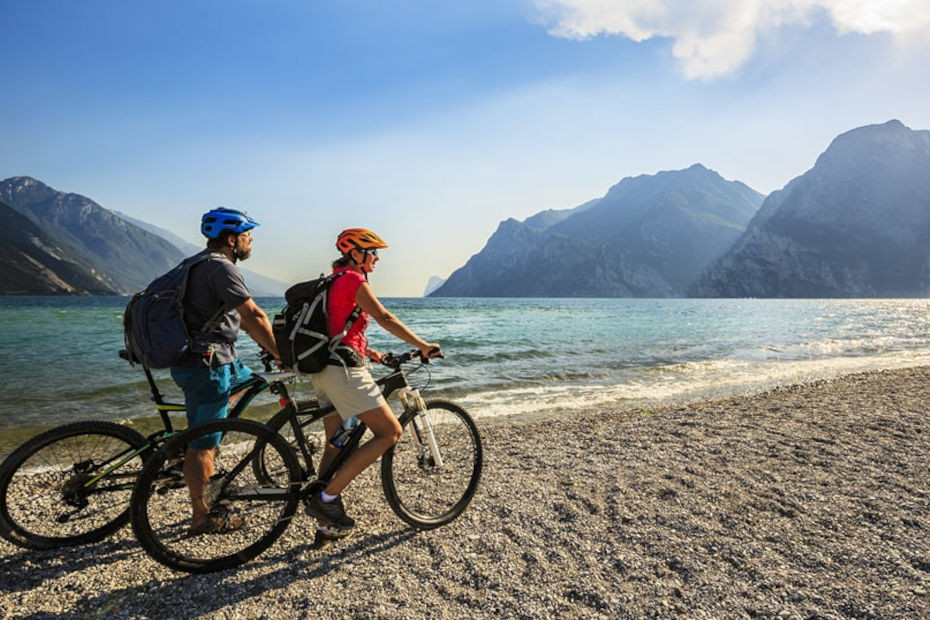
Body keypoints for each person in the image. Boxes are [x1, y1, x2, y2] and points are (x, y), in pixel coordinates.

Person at [305, 228, 442, 536]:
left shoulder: (330, 281)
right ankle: (328, 499)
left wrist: (372, 353)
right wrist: (423, 345)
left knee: (335, 445)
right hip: (344, 371)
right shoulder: (354, 280)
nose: (377, 259)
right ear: (356, 253)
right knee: (389, 431)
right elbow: (385, 318)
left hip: (323, 372)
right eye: (373, 253)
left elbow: (337, 330)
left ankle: (326, 524)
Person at [172, 207, 282, 535]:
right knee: (203, 443)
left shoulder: (192, 263)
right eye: (247, 234)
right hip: (209, 365)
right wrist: (280, 353)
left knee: (252, 382)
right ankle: (201, 515)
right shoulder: (222, 268)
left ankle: (193, 452)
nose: (251, 239)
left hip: (218, 362)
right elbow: (253, 318)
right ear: (231, 239)